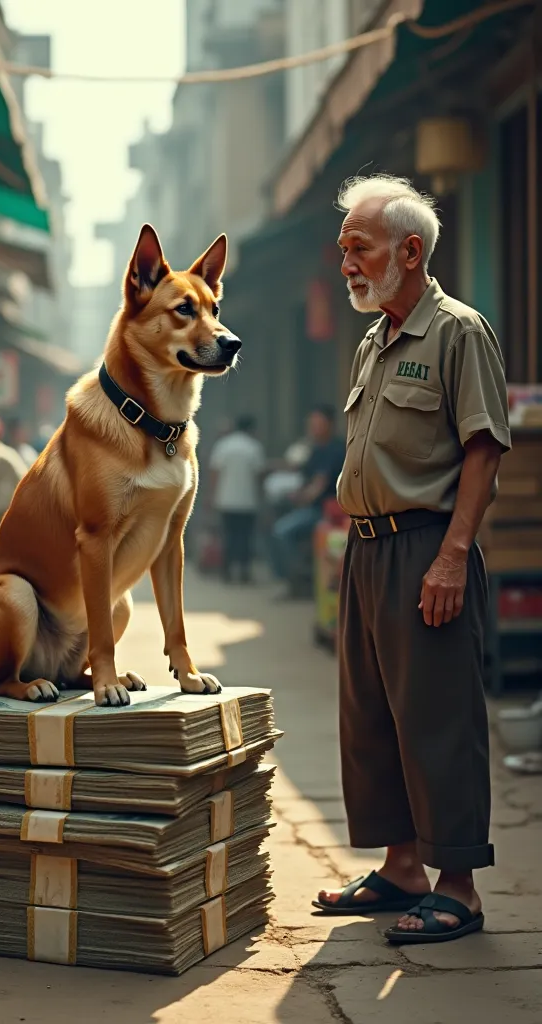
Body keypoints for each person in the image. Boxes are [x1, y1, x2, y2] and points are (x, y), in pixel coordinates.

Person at [314, 175, 510, 945]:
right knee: (374, 720)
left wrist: (454, 554)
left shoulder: (459, 331)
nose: (347, 263)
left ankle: (458, 887)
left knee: (436, 718)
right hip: (367, 552)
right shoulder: (373, 340)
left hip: (429, 548)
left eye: (358, 248)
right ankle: (402, 868)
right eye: (343, 251)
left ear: (411, 249)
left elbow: (484, 449)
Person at [270, 406, 345, 584]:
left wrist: (302, 498)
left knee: (281, 532)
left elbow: (319, 484)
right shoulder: (314, 449)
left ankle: (296, 580)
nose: (313, 428)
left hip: (325, 511)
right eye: (311, 424)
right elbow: (304, 476)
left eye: (318, 424)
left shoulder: (335, 450)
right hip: (312, 507)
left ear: (330, 425)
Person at [208, 415, 266, 584]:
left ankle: (226, 572)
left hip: (225, 500)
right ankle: (244, 573)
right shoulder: (254, 447)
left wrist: (211, 496)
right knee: (246, 538)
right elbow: (259, 476)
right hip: (248, 501)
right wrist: (261, 497)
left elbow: (214, 473)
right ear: (251, 429)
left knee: (229, 536)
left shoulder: (223, 445)